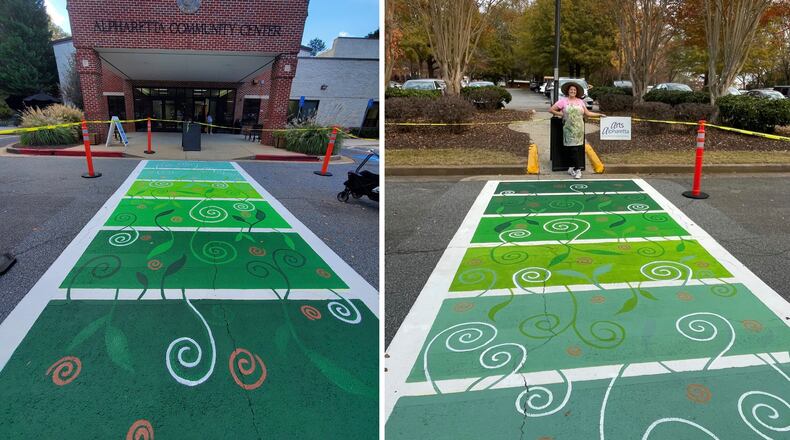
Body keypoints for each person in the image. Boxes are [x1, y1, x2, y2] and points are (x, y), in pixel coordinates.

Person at [548, 82, 606, 179]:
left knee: (577, 150)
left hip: (579, 129)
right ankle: (577, 170)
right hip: (569, 129)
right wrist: (562, 115)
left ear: (577, 92)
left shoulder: (580, 101)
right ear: (568, 91)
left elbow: (587, 113)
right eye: (571, 90)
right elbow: (551, 110)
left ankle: (571, 168)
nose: (572, 91)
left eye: (574, 90)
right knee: (572, 149)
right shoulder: (563, 101)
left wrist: (599, 115)